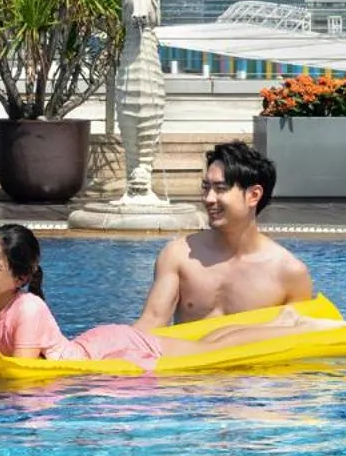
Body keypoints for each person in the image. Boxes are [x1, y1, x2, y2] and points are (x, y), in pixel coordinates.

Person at [0, 222, 342, 374]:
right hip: (101, 346)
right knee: (205, 342)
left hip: (114, 347)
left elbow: (22, 373)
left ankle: (291, 324)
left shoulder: (28, 308)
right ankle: (283, 324)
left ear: (19, 277)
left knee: (210, 344)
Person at [134, 140, 315, 330]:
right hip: (187, 357)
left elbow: (296, 341)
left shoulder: (289, 274)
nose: (209, 199)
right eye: (206, 188)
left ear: (254, 195)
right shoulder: (178, 255)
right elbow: (152, 320)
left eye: (220, 189)